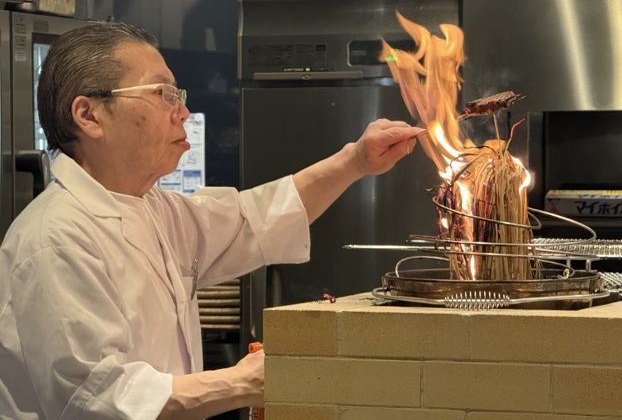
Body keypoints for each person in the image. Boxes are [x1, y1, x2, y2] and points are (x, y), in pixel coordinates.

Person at [0, 22, 422, 419]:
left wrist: (354, 161)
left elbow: (253, 220)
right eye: (163, 93)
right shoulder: (56, 239)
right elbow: (100, 400)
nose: (183, 112)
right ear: (89, 115)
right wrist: (242, 381)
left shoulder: (153, 208)